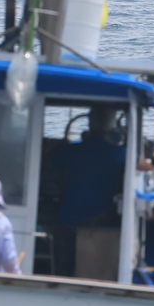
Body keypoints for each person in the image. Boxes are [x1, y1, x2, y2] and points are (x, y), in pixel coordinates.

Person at [52, 107, 126, 276]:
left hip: (67, 223)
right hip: (99, 225)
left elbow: (50, 162)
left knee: (62, 273)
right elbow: (144, 166)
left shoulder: (72, 151)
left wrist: (63, 144)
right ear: (112, 126)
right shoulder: (118, 153)